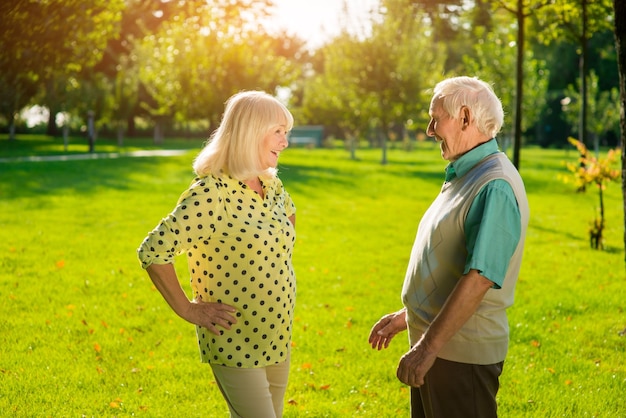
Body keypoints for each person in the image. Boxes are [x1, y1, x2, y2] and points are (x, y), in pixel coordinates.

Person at [368, 76, 529, 418]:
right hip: (441, 348)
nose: (429, 129)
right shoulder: (467, 173)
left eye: (435, 118)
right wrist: (408, 316)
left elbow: (479, 278)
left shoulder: (494, 184)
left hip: (458, 355)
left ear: (466, 118)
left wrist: (427, 348)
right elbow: (449, 259)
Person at [137, 91, 297, 418]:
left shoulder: (272, 185)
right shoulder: (212, 192)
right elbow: (153, 251)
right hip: (235, 339)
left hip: (277, 334)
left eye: (286, 133)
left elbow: (289, 222)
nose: (285, 142)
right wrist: (188, 310)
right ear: (252, 130)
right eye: (278, 131)